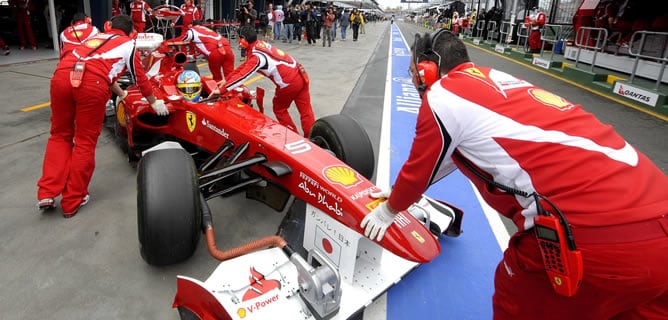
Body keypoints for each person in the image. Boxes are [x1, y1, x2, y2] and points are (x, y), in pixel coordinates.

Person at [360, 29, 668, 319]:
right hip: (659, 219)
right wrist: (401, 193)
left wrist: (388, 211)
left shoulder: (442, 95)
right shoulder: (497, 79)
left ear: (429, 68)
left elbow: (418, 170)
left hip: (593, 236)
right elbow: (444, 161)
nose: (413, 79)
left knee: (516, 299)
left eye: (414, 71)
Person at [37, 15, 167, 217]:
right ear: (131, 32)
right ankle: (73, 200)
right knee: (84, 141)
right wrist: (154, 102)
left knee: (59, 135)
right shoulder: (128, 44)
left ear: (109, 27)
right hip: (90, 85)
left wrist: (122, 94)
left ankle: (46, 192)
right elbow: (139, 78)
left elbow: (96, 68)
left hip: (61, 77)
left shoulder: (92, 39)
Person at [215, 26, 314, 137]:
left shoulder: (258, 57)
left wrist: (221, 90)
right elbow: (243, 67)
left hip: (288, 83)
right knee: (306, 111)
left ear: (244, 40)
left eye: (239, 38)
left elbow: (242, 76)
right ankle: (313, 138)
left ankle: (293, 136)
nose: (238, 41)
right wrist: (227, 79)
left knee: (279, 109)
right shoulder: (259, 44)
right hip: (301, 73)